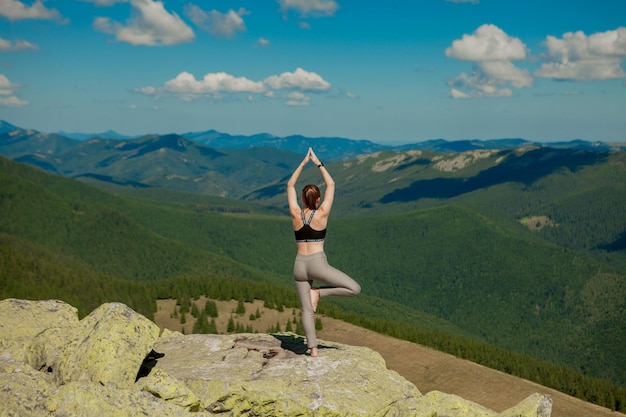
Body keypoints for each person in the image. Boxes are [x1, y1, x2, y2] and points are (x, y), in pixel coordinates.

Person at [287, 148, 361, 358]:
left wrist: (302, 164)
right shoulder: (322, 214)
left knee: (306, 310)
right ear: (318, 199)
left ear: (303, 199)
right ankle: (319, 293)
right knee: (354, 288)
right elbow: (331, 184)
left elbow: (290, 184)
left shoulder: (295, 213)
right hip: (318, 264)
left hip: (300, 265)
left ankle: (312, 350)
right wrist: (318, 163)